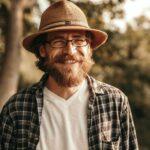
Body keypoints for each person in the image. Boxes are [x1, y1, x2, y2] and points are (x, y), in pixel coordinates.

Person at [0, 0, 139, 150]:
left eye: (79, 40)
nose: (70, 51)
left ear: (90, 49)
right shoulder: (16, 109)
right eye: (58, 41)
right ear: (42, 50)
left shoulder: (115, 102)